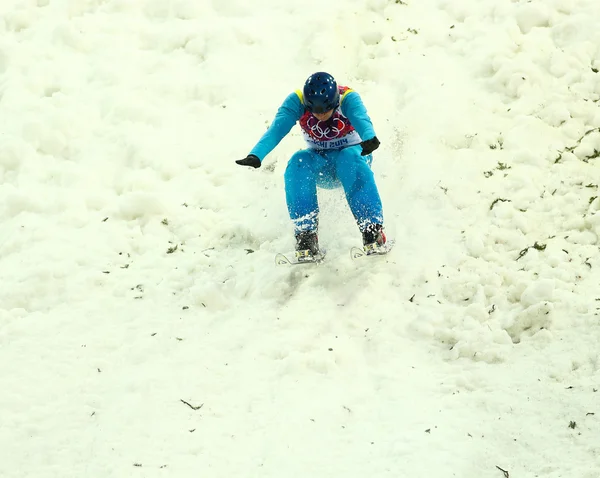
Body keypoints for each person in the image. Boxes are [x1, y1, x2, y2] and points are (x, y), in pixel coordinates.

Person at [235, 71, 386, 259]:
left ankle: (372, 230)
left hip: (354, 158)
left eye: (325, 111)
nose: (320, 115)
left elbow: (361, 119)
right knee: (298, 161)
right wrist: (256, 154)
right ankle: (306, 234)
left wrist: (369, 138)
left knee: (348, 156)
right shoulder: (296, 101)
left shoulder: (347, 98)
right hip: (321, 162)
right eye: (315, 112)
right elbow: (276, 129)